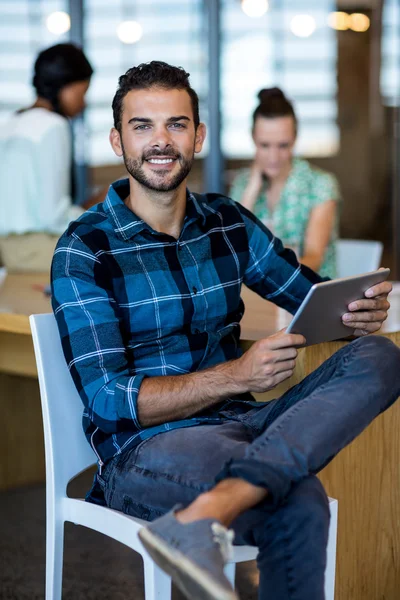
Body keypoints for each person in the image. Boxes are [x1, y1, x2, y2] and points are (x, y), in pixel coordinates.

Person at [51, 61, 399, 600]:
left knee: (380, 357)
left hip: (242, 426)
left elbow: (308, 294)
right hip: (145, 450)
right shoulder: (85, 248)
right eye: (142, 126)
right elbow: (107, 400)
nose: (160, 141)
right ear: (117, 140)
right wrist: (237, 374)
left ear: (200, 135)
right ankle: (226, 500)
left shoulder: (226, 221)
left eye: (176, 124)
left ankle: (214, 507)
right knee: (299, 499)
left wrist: (354, 311)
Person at [0, 43, 104, 272]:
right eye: (82, 91)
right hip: (39, 249)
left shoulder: (11, 123)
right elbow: (53, 217)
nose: (83, 102)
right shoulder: (53, 125)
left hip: (8, 251)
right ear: (64, 86)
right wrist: (100, 204)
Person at [230, 87, 340, 279]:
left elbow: (314, 258)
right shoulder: (243, 184)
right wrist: (253, 188)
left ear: (295, 139)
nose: (273, 157)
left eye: (283, 145)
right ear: (253, 138)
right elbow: (232, 248)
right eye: (264, 145)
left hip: (309, 293)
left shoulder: (321, 185)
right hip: (257, 297)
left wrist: (267, 277)